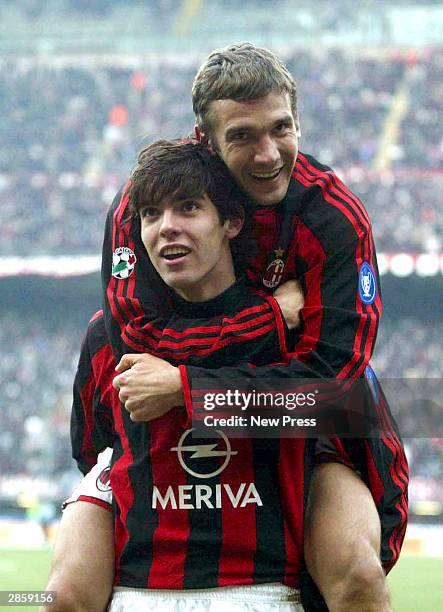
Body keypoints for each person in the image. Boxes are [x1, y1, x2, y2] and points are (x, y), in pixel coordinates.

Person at [101, 44, 408, 612]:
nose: (269, 155)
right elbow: (135, 343)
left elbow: (332, 384)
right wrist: (269, 317)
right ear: (206, 138)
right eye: (242, 135)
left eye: (282, 128)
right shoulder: (146, 206)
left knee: (356, 578)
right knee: (68, 590)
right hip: (174, 419)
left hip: (313, 425)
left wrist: (191, 390)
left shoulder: (332, 219)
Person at [45, 139, 308, 612]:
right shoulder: (108, 337)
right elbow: (92, 449)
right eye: (150, 213)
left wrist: (183, 391)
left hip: (264, 588)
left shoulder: (296, 321)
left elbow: (339, 412)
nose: (167, 228)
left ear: (231, 222)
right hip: (138, 590)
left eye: (188, 208)